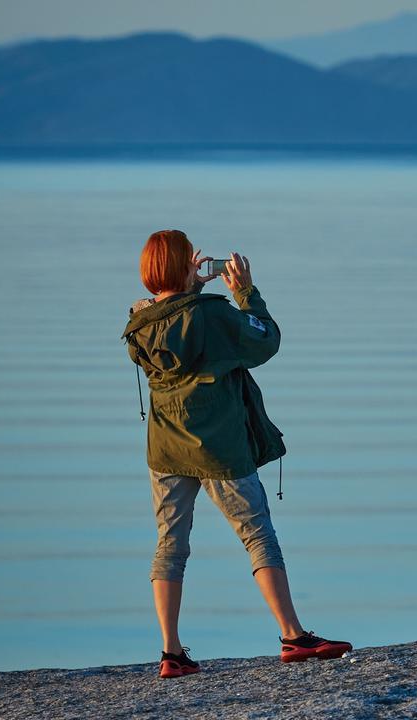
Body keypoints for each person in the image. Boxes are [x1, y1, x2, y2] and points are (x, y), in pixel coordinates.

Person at [121, 229, 352, 679]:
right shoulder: (213, 315)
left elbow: (176, 325)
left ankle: (171, 653)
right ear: (184, 267)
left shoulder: (140, 322)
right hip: (220, 448)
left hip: (165, 448)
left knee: (170, 545)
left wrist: (187, 290)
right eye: (190, 262)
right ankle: (293, 635)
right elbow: (264, 341)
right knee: (258, 535)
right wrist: (245, 292)